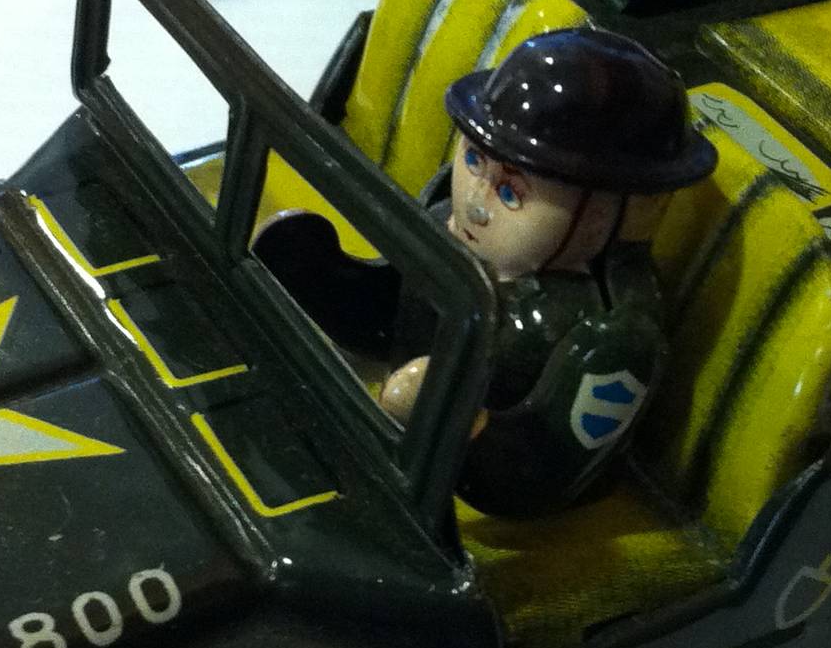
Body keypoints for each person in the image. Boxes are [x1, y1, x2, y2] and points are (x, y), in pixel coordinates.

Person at [263, 28, 715, 518]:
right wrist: (318, 275)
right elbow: (391, 313)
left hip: (478, 505)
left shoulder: (611, 338)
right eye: (474, 159)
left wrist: (451, 417)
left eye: (510, 194)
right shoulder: (449, 223)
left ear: (633, 212)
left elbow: (538, 476)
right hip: (397, 436)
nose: (475, 205)